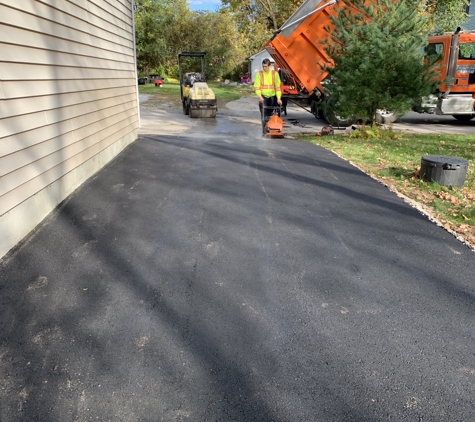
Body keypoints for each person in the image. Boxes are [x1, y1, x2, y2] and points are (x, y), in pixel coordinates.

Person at [254, 59, 283, 125]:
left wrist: (278, 98)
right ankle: (264, 132)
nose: (264, 68)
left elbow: (277, 88)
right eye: (263, 66)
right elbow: (256, 87)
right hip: (263, 98)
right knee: (264, 115)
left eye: (266, 66)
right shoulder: (259, 74)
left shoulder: (275, 74)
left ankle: (270, 129)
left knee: (270, 115)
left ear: (269, 66)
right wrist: (260, 96)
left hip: (272, 98)